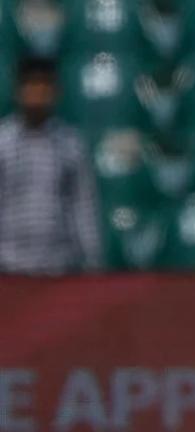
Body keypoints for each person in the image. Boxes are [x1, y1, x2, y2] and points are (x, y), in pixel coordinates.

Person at [0, 56, 101, 275]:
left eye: (44, 86)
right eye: (31, 85)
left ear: (55, 92)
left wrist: (93, 262)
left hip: (58, 266)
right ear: (18, 90)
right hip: (8, 265)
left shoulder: (70, 145)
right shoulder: (2, 143)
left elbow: (83, 206)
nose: (37, 93)